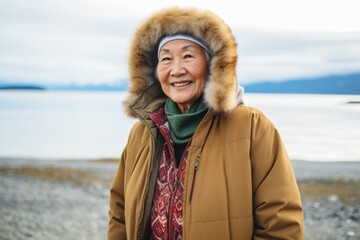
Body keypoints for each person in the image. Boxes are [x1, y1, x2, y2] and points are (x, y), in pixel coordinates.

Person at [108, 6, 304, 240]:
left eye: (188, 56)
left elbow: (280, 225)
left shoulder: (252, 127)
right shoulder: (143, 132)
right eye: (166, 58)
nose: (176, 70)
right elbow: (119, 214)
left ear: (213, 65)